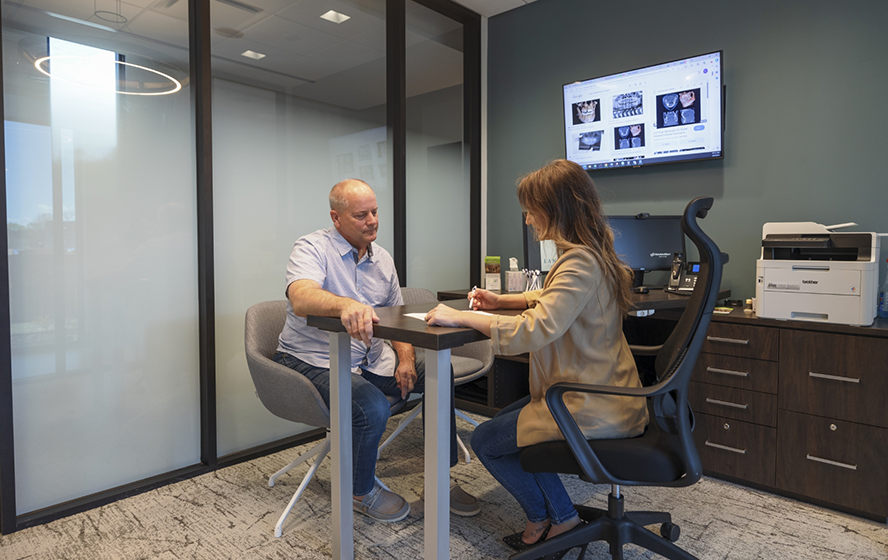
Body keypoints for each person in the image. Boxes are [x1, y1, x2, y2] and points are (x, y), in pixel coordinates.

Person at [425, 160, 649, 556]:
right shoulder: (596, 255)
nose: (528, 219)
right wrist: (502, 300)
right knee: (513, 420)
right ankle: (555, 516)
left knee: (487, 440)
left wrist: (461, 315)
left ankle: (557, 519)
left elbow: (533, 329)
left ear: (557, 209)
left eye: (531, 210)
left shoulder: (578, 262)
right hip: (606, 393)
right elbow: (552, 299)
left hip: (587, 403)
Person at [273, 178, 480, 523]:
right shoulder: (311, 247)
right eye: (360, 215)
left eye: (375, 212)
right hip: (311, 360)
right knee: (369, 405)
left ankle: (439, 476)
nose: (372, 221)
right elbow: (301, 296)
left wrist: (406, 357)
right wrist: (344, 305)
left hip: (368, 357)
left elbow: (396, 316)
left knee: (439, 372)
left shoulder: (381, 258)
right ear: (336, 218)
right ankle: (359, 490)